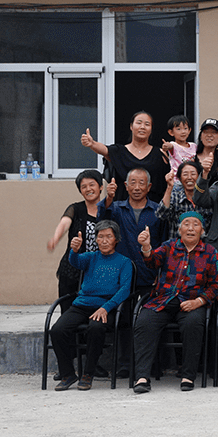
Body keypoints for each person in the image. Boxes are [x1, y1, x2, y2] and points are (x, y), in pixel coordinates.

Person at [131, 212, 218, 393]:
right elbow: (152, 262)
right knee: (144, 322)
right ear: (179, 230)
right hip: (163, 299)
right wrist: (146, 247)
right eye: (186, 224)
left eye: (195, 224)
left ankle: (188, 375)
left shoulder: (210, 252)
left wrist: (199, 301)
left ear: (202, 230)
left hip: (191, 301)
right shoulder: (169, 246)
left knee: (193, 323)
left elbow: (216, 285)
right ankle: (142, 377)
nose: (190, 228)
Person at [49, 219, 132, 391]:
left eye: (108, 236)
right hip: (81, 304)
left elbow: (125, 290)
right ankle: (68, 374)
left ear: (116, 239)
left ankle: (88, 373)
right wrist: (74, 250)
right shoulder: (91, 257)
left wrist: (106, 308)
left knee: (95, 328)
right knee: (57, 330)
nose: (104, 240)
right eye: (100, 236)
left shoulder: (124, 262)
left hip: (106, 307)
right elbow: (75, 262)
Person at [45, 169, 105, 314]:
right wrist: (56, 238)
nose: (88, 189)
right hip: (72, 271)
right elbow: (65, 222)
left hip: (98, 272)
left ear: (100, 187)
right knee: (68, 312)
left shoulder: (108, 210)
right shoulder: (76, 209)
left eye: (92, 185)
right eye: (83, 187)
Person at [81, 111, 170, 201]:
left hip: (152, 208)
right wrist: (92, 143)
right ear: (131, 126)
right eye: (139, 123)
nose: (142, 127)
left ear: (151, 129)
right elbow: (104, 150)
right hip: (122, 208)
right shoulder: (119, 151)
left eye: (147, 124)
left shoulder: (159, 153)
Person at [103, 168, 164, 288]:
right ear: (126, 186)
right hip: (120, 272)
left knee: (147, 305)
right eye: (133, 183)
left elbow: (164, 242)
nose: (137, 187)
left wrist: (161, 272)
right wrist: (109, 197)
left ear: (149, 187)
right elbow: (102, 219)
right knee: (122, 306)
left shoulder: (158, 211)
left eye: (141, 183)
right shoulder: (116, 208)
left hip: (149, 272)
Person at [157, 161, 212, 241]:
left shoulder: (208, 197)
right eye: (185, 174)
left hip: (202, 249)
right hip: (178, 248)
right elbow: (162, 214)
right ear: (179, 178)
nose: (189, 177)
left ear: (199, 177)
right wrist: (169, 187)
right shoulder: (175, 196)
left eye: (193, 174)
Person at [193, 118, 218, 186]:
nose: (209, 135)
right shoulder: (192, 156)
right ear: (201, 136)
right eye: (206, 132)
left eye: (214, 132)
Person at [159, 114, 196, 179]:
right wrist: (166, 146)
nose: (183, 132)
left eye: (185, 128)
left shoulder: (194, 146)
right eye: (178, 129)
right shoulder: (173, 145)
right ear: (171, 132)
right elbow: (170, 146)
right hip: (177, 181)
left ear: (189, 130)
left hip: (192, 180)